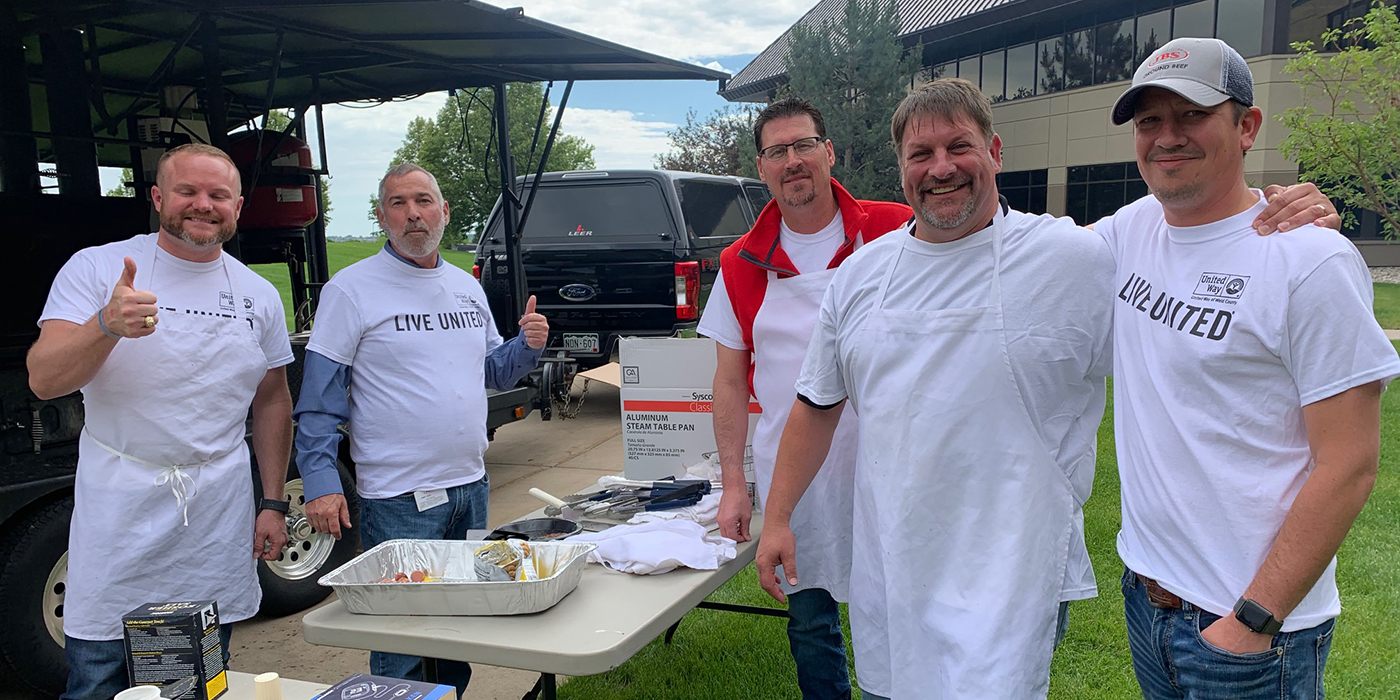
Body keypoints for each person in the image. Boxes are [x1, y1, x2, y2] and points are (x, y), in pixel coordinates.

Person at [754, 78, 1342, 700]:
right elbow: (817, 403)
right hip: (892, 563)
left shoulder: (1076, 256)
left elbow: (1197, 236)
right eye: (920, 155)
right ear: (901, 166)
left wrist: (1283, 214)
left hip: (1015, 567)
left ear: (996, 151)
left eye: (960, 146)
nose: (941, 168)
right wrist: (779, 517)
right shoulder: (859, 277)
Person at [1101, 37, 1400, 700]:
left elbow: (1350, 463)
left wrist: (1253, 620)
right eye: (1150, 120)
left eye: (1191, 114)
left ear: (1247, 126)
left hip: (1252, 632)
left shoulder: (1308, 261)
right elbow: (1009, 252)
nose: (1167, 137)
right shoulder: (1132, 230)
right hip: (1147, 598)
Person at [27, 143, 294, 700]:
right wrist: (104, 324)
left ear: (238, 207)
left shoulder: (258, 295)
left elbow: (271, 400)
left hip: (215, 514)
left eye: (218, 194)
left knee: (190, 682)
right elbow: (44, 380)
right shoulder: (99, 267)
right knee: (99, 677)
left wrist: (272, 501)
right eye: (187, 191)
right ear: (157, 197)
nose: (203, 205)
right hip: (119, 508)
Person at [293, 162, 547, 693]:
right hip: (397, 499)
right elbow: (319, 399)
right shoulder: (352, 290)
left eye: (424, 201)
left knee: (460, 631)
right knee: (401, 645)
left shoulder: (464, 288)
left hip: (469, 486)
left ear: (444, 211)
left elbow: (489, 372)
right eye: (398, 203)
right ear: (382, 215)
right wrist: (319, 481)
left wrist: (527, 347)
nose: (413, 214)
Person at [698, 97, 912, 700]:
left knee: (898, 606)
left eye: (803, 146)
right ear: (761, 167)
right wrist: (735, 485)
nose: (793, 161)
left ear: (828, 153)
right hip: (796, 474)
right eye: (777, 152)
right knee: (812, 621)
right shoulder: (740, 261)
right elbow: (731, 381)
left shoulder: (895, 227)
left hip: (890, 464)